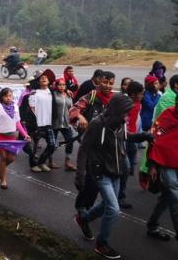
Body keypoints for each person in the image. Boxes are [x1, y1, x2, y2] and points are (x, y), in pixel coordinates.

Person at [74, 93, 136, 259]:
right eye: (125, 112)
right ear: (116, 109)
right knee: (114, 210)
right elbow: (84, 148)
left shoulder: (121, 123)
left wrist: (144, 136)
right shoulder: (97, 124)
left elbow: (123, 140)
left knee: (107, 205)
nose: (127, 115)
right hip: (100, 172)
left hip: (116, 172)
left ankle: (84, 219)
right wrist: (80, 174)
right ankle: (102, 244)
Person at [70, 71, 115, 215]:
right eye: (105, 82)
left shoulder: (115, 99)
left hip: (107, 147)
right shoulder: (91, 96)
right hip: (90, 145)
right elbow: (73, 109)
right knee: (89, 179)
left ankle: (88, 207)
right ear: (98, 82)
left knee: (99, 181)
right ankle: (81, 208)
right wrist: (80, 116)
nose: (107, 86)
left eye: (111, 83)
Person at [0, 88, 30, 189]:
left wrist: (25, 134)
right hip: (0, 136)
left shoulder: (16, 107)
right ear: (2, 97)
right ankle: (3, 180)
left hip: (12, 136)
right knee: (3, 157)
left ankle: (0, 168)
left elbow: (18, 123)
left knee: (11, 158)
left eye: (10, 96)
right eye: (6, 96)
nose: (8, 98)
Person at [146, 94, 178, 241]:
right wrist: (152, 165)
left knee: (166, 197)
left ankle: (152, 225)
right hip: (164, 163)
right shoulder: (167, 115)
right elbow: (155, 140)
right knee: (175, 197)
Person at [118, 81, 144, 210]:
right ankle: (119, 196)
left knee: (133, 152)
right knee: (125, 167)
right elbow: (121, 123)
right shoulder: (125, 104)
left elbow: (136, 119)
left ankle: (125, 171)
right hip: (122, 137)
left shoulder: (138, 103)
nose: (142, 96)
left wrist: (139, 133)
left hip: (131, 137)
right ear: (133, 94)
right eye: (140, 94)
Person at [52, 78, 76, 171]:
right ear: (56, 85)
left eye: (63, 85)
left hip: (66, 123)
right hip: (54, 123)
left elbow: (71, 109)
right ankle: (51, 161)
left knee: (70, 141)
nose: (61, 87)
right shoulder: (52, 95)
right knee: (52, 144)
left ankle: (67, 162)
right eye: (59, 85)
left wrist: (72, 121)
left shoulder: (69, 95)